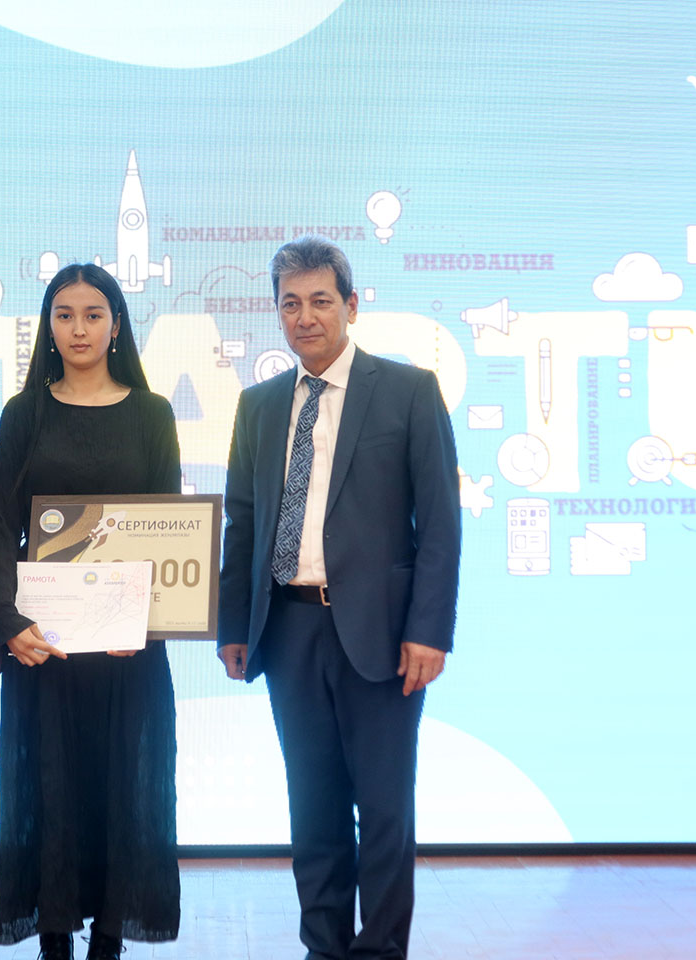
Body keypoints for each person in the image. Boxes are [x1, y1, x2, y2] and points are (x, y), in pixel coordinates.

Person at [217, 236, 461, 960]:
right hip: (288, 629)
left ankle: (380, 951)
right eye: (290, 303)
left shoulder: (408, 390)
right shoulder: (259, 406)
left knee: (383, 809)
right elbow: (244, 521)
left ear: (351, 307)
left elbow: (440, 524)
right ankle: (322, 946)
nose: (305, 317)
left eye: (320, 301)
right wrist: (234, 625)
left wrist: (430, 630)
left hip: (382, 635)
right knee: (313, 806)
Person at [0, 264, 182, 960]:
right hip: (45, 648)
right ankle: (54, 941)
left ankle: (108, 940)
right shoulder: (23, 414)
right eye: (64, 315)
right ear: (48, 327)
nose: (78, 328)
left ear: (116, 325)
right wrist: (8, 625)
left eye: (93, 314)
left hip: (129, 651)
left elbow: (170, 527)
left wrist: (147, 623)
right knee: (51, 792)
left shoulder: (152, 414)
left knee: (124, 789)